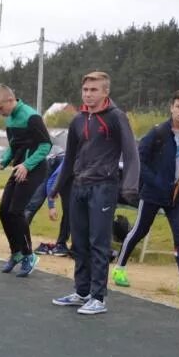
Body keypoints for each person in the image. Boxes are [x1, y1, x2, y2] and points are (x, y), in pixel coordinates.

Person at [50, 71, 139, 315]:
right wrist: (56, 187)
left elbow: (131, 153)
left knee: (98, 243)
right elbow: (68, 158)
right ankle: (81, 292)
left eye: (94, 90)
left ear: (105, 92)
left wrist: (130, 185)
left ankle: (98, 297)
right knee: (78, 243)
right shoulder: (78, 120)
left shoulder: (116, 117)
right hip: (78, 186)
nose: (88, 95)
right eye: (86, 90)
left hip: (103, 187)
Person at [113, 88, 179, 298]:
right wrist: (155, 182)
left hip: (177, 196)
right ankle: (119, 268)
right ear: (171, 107)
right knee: (139, 231)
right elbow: (139, 161)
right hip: (153, 194)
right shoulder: (158, 133)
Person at [0, 84, 52, 278]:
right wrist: (5, 160)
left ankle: (28, 255)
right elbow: (14, 146)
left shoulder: (32, 117)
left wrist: (27, 165)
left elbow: (46, 145)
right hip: (19, 168)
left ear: (10, 100)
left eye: (0, 108)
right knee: (3, 210)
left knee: (16, 212)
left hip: (34, 169)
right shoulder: (10, 120)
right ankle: (16, 252)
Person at [27, 153, 71, 257]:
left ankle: (61, 244)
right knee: (34, 204)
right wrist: (51, 206)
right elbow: (51, 181)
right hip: (49, 170)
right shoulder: (71, 158)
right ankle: (20, 240)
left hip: (67, 177)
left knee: (69, 209)